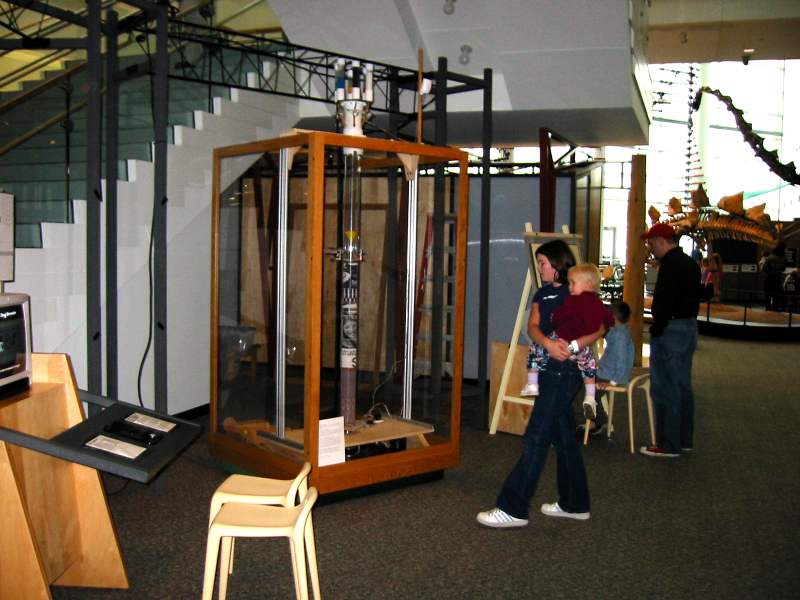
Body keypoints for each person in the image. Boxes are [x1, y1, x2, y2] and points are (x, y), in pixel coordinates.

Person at [477, 240, 605, 527]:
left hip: (565, 372)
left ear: (558, 263)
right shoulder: (542, 293)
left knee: (536, 436)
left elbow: (599, 328)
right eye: (538, 263)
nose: (539, 268)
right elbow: (533, 326)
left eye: (543, 263)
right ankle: (575, 503)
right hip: (548, 369)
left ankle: (513, 508)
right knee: (564, 438)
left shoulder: (579, 292)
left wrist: (573, 346)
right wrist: (547, 343)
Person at [520, 263, 614, 423]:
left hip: (561, 338)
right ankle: (590, 397)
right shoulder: (598, 304)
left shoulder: (573, 301)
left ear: (587, 284)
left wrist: (553, 318)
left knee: (536, 350)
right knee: (589, 367)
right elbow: (608, 320)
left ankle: (532, 383)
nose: (570, 287)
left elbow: (560, 316)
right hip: (581, 345)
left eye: (573, 283)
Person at [640, 222, 700, 458]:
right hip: (688, 327)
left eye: (651, 242)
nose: (650, 246)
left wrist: (657, 328)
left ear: (661, 241)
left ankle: (669, 444)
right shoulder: (690, 263)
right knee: (682, 385)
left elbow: (665, 301)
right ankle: (684, 439)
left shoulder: (669, 265)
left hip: (670, 331)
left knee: (665, 387)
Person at [583, 300, 635, 436]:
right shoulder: (620, 331)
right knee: (588, 384)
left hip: (610, 375)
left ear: (613, 317)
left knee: (589, 389)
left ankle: (599, 421)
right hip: (608, 372)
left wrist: (612, 382)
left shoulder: (620, 336)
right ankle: (597, 420)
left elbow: (621, 361)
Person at [762, 242, 787, 311]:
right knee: (776, 297)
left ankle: (768, 310)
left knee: (768, 297)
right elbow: (783, 269)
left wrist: (770, 272)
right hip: (778, 279)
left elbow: (764, 268)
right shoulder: (784, 258)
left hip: (769, 278)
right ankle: (775, 311)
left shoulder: (770, 257)